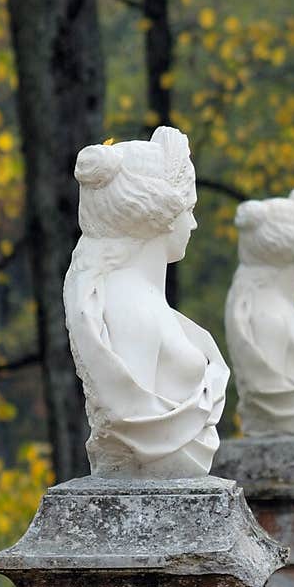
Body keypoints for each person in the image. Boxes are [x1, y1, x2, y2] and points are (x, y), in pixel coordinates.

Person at [63, 125, 229, 478]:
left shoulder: (144, 302)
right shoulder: (131, 306)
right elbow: (128, 419)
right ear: (162, 214)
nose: (195, 223)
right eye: (190, 209)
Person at [224, 188, 294, 437]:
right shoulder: (268, 318)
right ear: (292, 252)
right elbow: (264, 388)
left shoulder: (280, 312)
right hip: (281, 432)